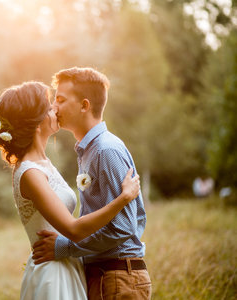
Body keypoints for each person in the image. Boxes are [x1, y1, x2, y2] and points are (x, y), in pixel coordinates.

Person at [0, 81, 141, 299]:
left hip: (68, 266)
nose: (56, 109)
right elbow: (73, 229)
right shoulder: (30, 172)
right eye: (50, 107)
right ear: (36, 123)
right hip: (53, 272)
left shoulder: (43, 163)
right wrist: (123, 198)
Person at [32, 67, 152, 300]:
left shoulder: (105, 150)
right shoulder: (90, 150)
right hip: (104, 275)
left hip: (118, 277)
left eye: (61, 100)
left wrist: (65, 247)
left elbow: (122, 227)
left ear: (84, 105)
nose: (54, 107)